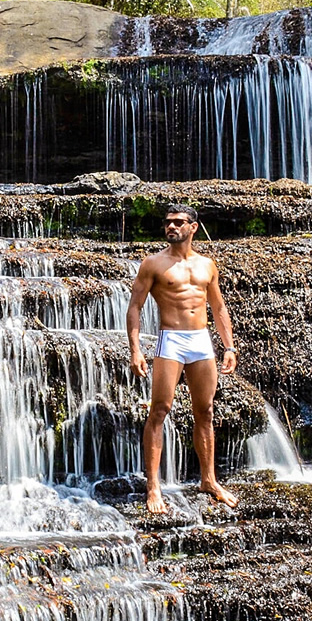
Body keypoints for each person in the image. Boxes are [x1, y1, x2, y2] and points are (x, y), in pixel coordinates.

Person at [126, 205, 238, 514]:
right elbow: (135, 306)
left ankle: (209, 480)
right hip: (171, 340)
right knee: (159, 411)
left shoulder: (207, 265)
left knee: (206, 411)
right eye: (168, 223)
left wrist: (229, 347)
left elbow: (218, 306)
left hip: (201, 340)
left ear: (193, 227)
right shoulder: (153, 264)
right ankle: (153, 487)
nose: (171, 227)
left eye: (178, 223)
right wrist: (135, 349)